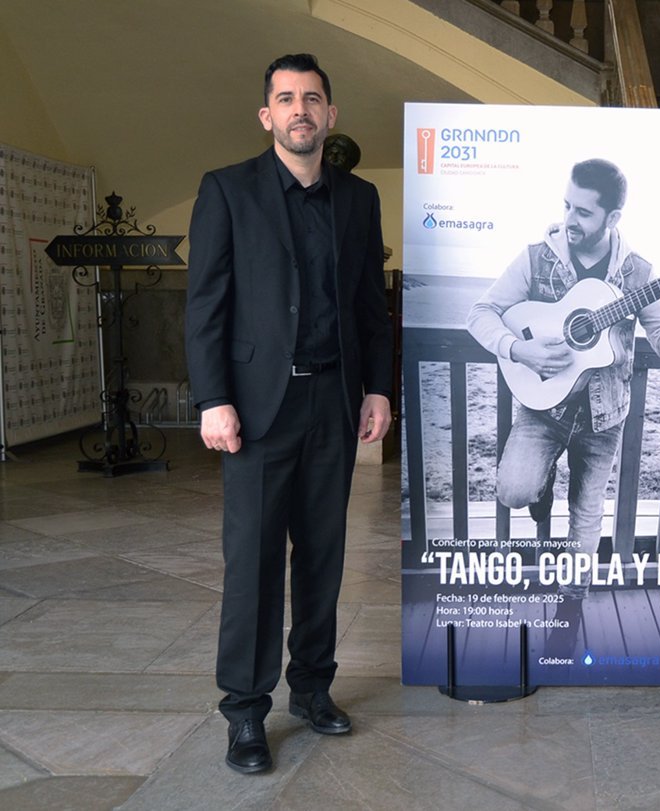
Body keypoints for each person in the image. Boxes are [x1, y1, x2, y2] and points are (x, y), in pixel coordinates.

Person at [184, 53, 393, 774]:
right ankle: (245, 711)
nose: (300, 109)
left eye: (312, 98)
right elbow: (205, 306)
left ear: (331, 115)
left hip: (333, 402)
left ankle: (312, 688)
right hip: (256, 410)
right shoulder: (228, 191)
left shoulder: (359, 199)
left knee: (324, 558)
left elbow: (371, 305)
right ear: (266, 115)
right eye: (285, 98)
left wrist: (378, 387)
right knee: (253, 564)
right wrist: (213, 398)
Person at [466, 159, 660, 639]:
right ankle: (541, 483)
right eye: (567, 206)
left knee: (586, 514)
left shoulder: (638, 274)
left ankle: (571, 608)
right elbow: (481, 312)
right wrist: (519, 348)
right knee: (514, 491)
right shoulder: (536, 257)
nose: (570, 220)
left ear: (613, 219)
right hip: (541, 409)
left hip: (603, 416)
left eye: (584, 212)